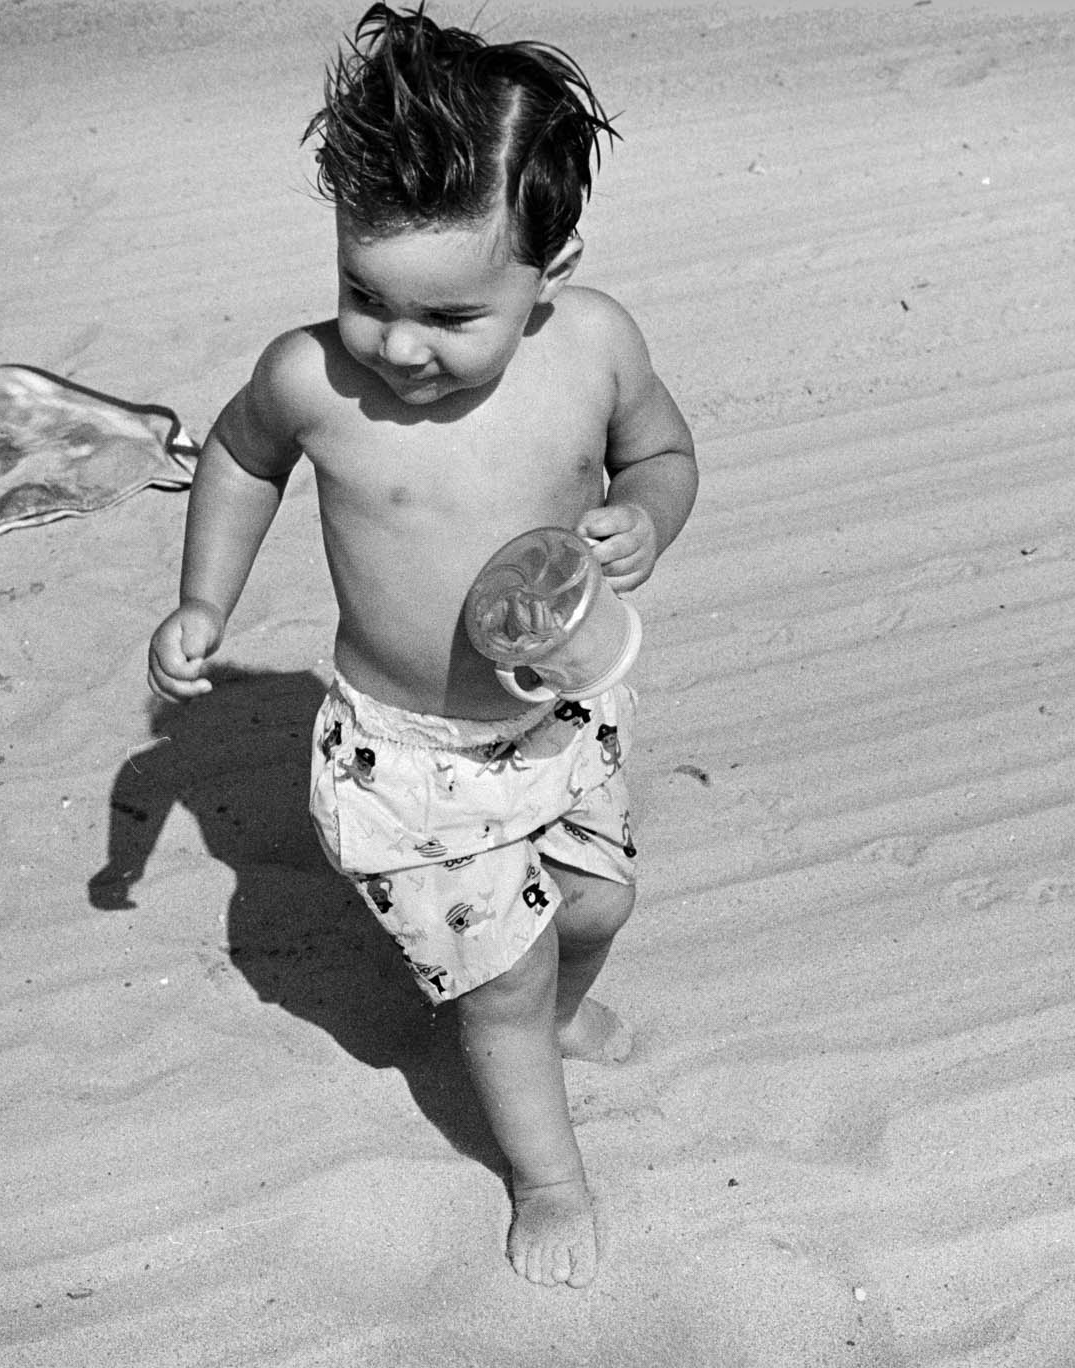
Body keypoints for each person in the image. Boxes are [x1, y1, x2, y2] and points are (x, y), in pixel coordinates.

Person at [146, 3, 696, 1289]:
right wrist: (202, 606)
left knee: (602, 901)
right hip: (407, 756)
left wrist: (643, 521)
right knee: (498, 984)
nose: (397, 347)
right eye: (363, 298)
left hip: (560, 709)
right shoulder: (307, 379)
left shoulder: (596, 348)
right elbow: (235, 458)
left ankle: (540, 1023)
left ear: (547, 275)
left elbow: (661, 454)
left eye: (448, 318)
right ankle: (546, 1168)